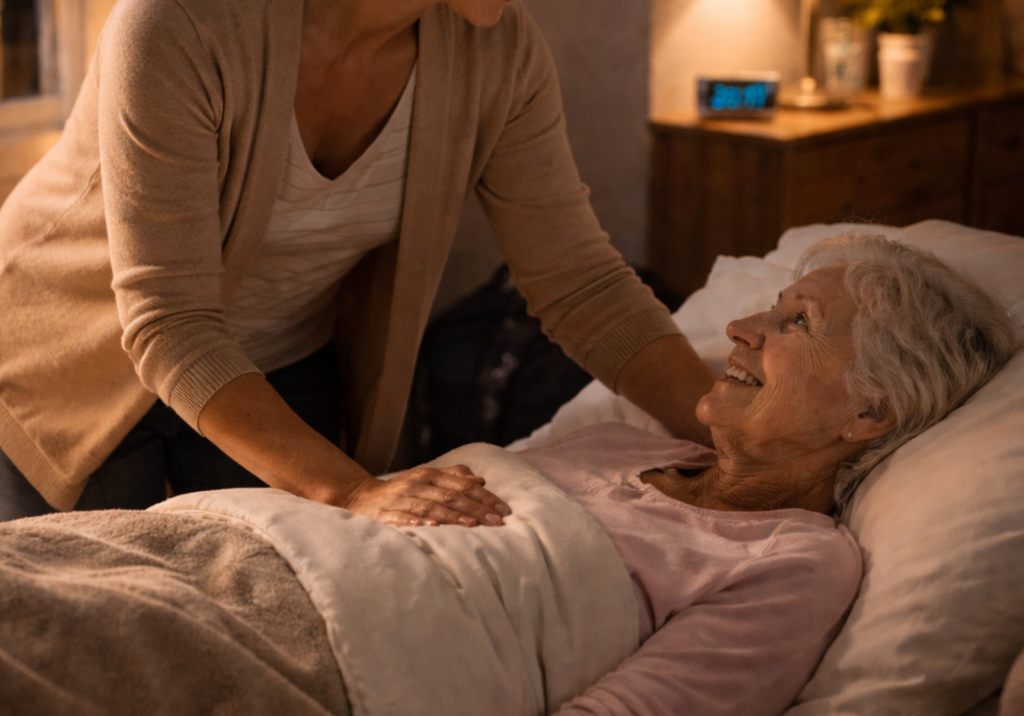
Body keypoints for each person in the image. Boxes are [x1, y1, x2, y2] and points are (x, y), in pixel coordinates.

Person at [0, 0, 715, 524]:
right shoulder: (183, 17)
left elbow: (580, 283)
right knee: (100, 626)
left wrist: (730, 427)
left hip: (272, 365)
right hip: (74, 367)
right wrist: (354, 490)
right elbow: (172, 324)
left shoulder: (498, 55)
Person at [0, 233, 1018, 716]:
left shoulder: (799, 563)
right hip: (242, 547)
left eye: (796, 324)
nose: (744, 327)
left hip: (320, 653)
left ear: (870, 410)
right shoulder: (624, 447)